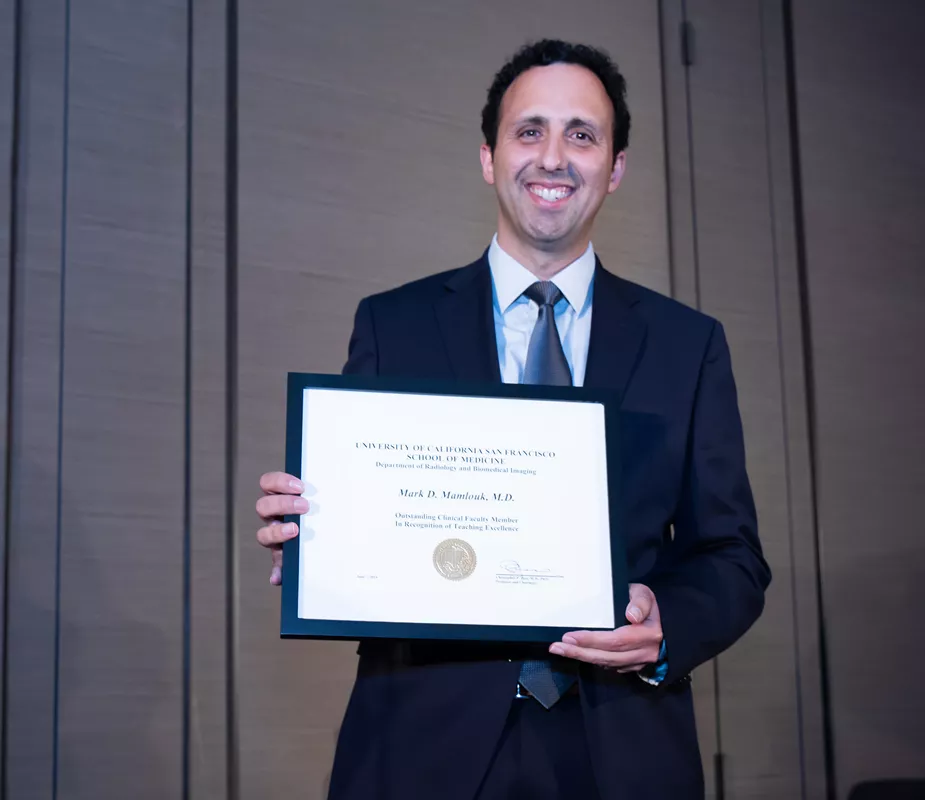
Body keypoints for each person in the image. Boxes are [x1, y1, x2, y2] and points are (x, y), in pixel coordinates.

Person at [255, 39, 770, 800]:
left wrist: (668, 621)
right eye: (529, 131)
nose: (553, 157)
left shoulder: (687, 344)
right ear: (489, 158)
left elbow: (731, 556)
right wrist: (311, 540)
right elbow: (361, 524)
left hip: (622, 747)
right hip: (421, 746)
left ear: (615, 167)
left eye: (581, 134)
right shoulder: (392, 324)